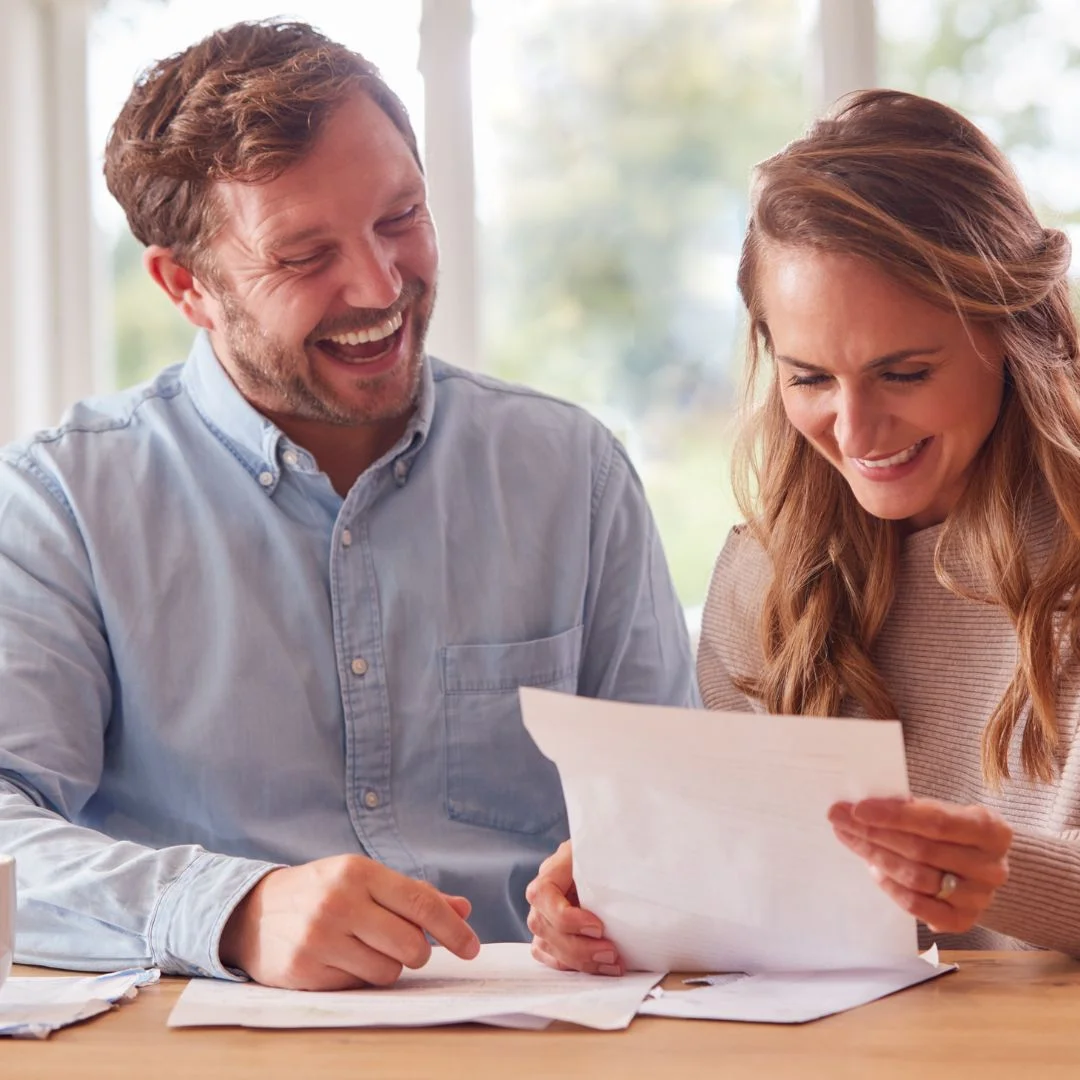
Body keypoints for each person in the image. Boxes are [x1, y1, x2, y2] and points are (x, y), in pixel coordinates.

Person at [0, 20, 696, 991]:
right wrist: (232, 912)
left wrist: (642, 880)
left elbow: (682, 809)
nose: (379, 285)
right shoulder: (60, 503)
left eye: (400, 216)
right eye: (303, 255)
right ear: (186, 286)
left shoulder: (571, 472)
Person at [526, 88, 1080, 976]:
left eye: (904, 372)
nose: (854, 434)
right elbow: (766, 894)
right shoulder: (767, 576)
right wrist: (629, 885)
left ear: (1012, 330)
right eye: (811, 377)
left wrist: (1004, 874)